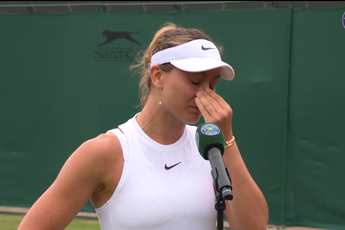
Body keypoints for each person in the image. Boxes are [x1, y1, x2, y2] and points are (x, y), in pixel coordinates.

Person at [18, 22, 269, 230]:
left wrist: (225, 138)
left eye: (213, 85)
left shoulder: (212, 149)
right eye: (195, 81)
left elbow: (253, 227)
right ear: (157, 75)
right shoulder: (105, 152)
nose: (206, 95)